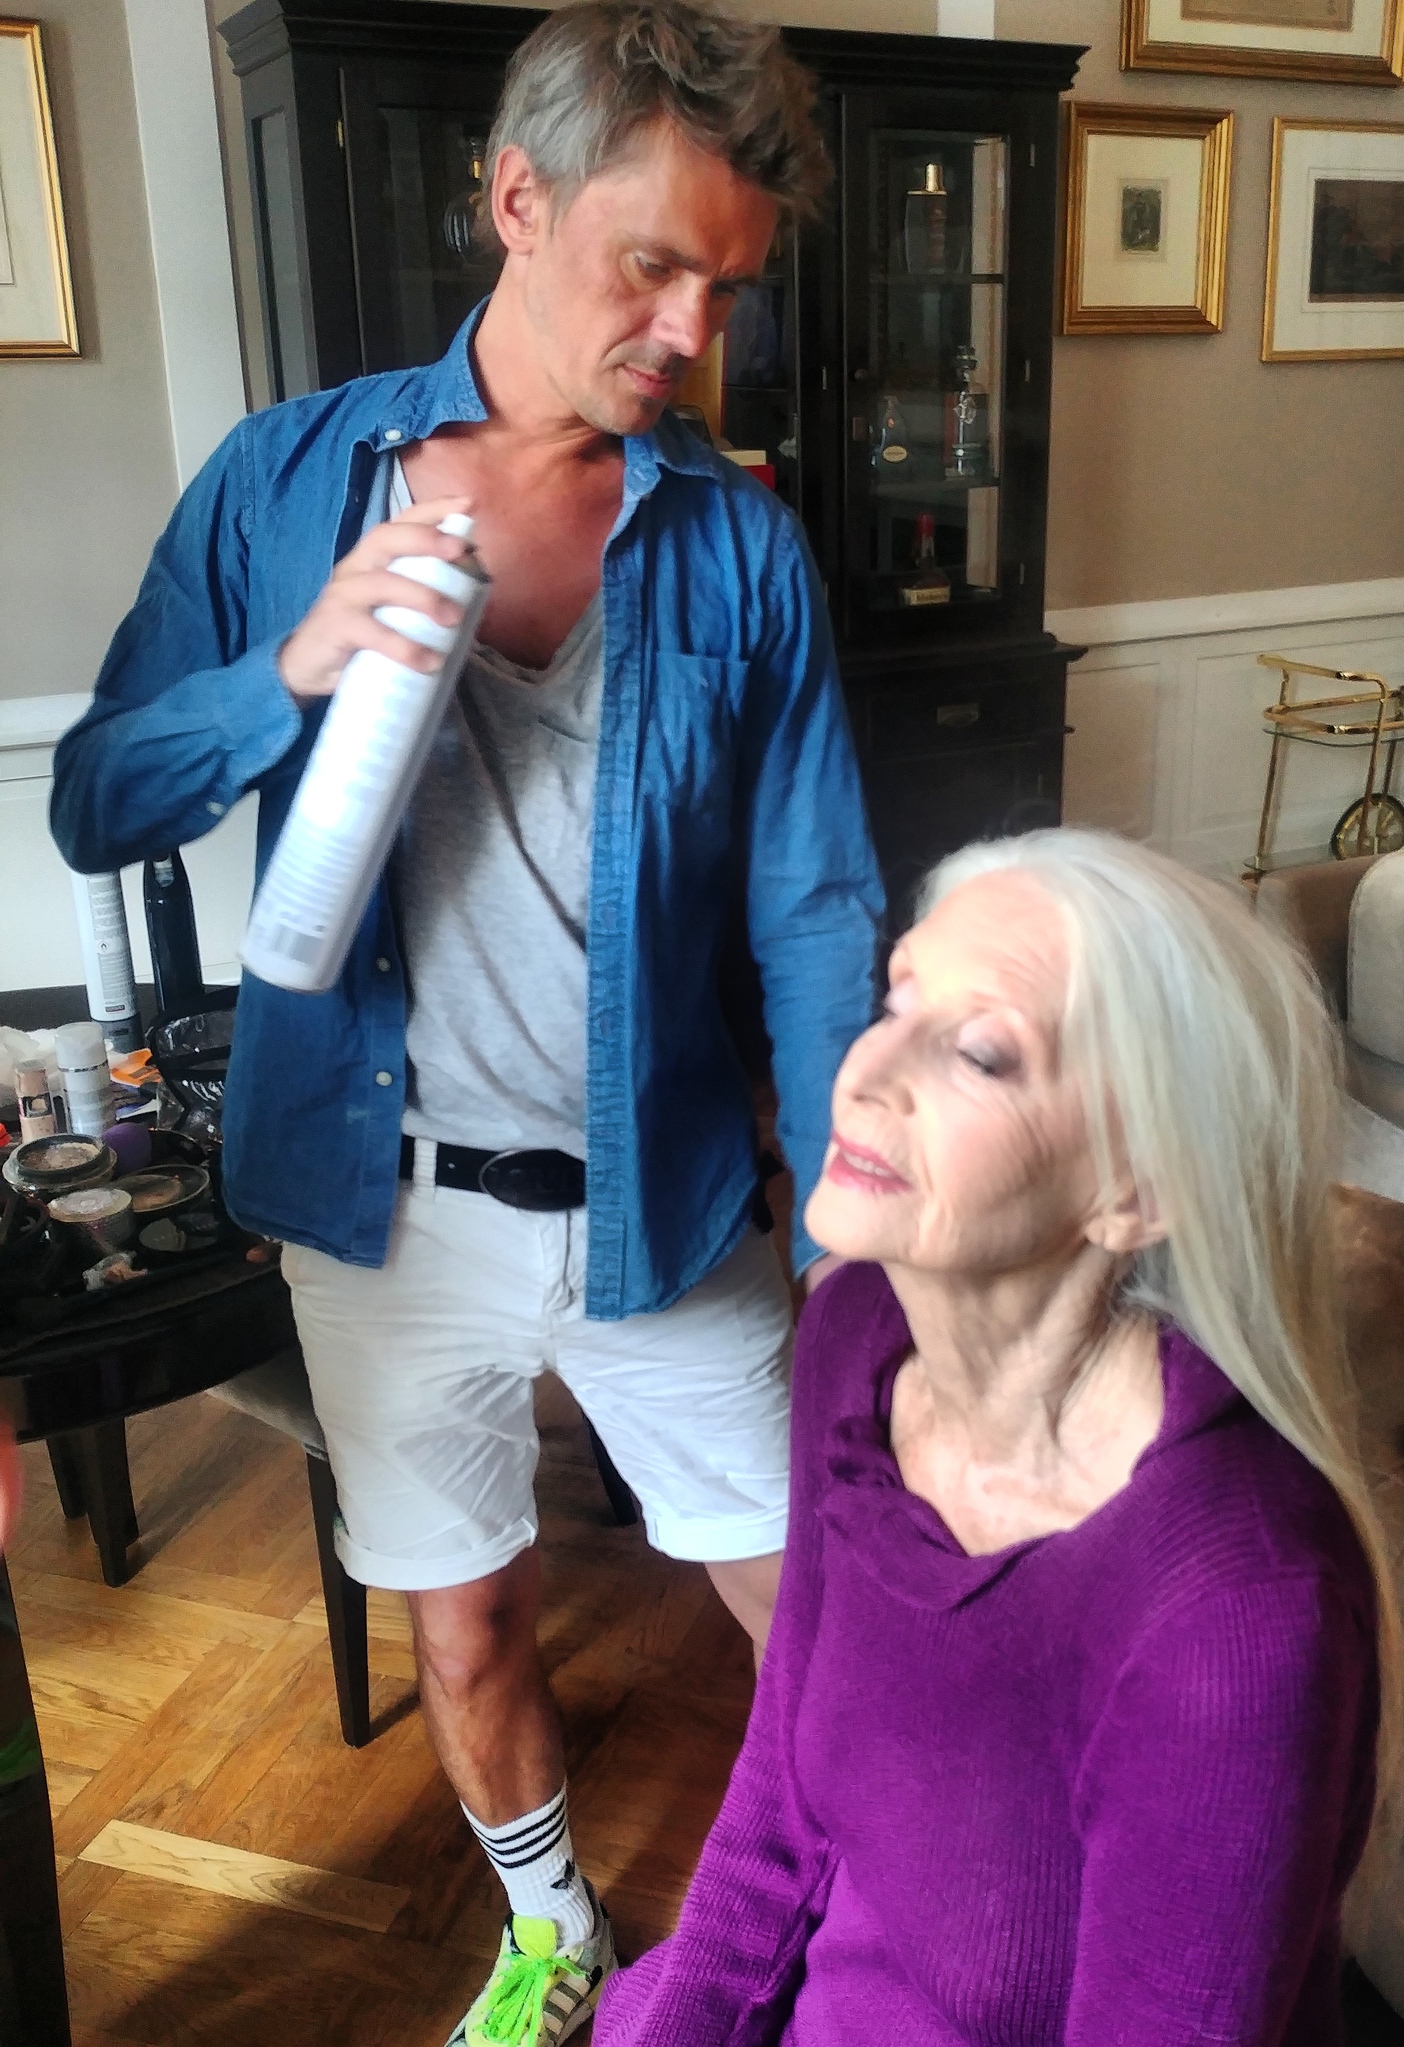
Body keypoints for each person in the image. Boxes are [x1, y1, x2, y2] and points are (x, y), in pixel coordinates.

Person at [50, 5, 881, 2041]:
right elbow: (96, 795)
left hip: (663, 1199)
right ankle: (549, 1936)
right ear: (518, 199)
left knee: (822, 1615)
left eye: (727, 288)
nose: (689, 332)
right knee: (468, 1618)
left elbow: (814, 912)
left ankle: (851, 1932)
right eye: (651, 264)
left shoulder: (740, 548)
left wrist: (858, 1221)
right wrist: (289, 668)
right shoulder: (281, 483)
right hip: (380, 1206)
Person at [595, 826, 1401, 2047]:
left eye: (980, 1052)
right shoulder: (855, 1333)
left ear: (1134, 1190)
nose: (866, 1071)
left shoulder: (1236, 1614)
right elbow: (782, 1804)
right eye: (896, 998)